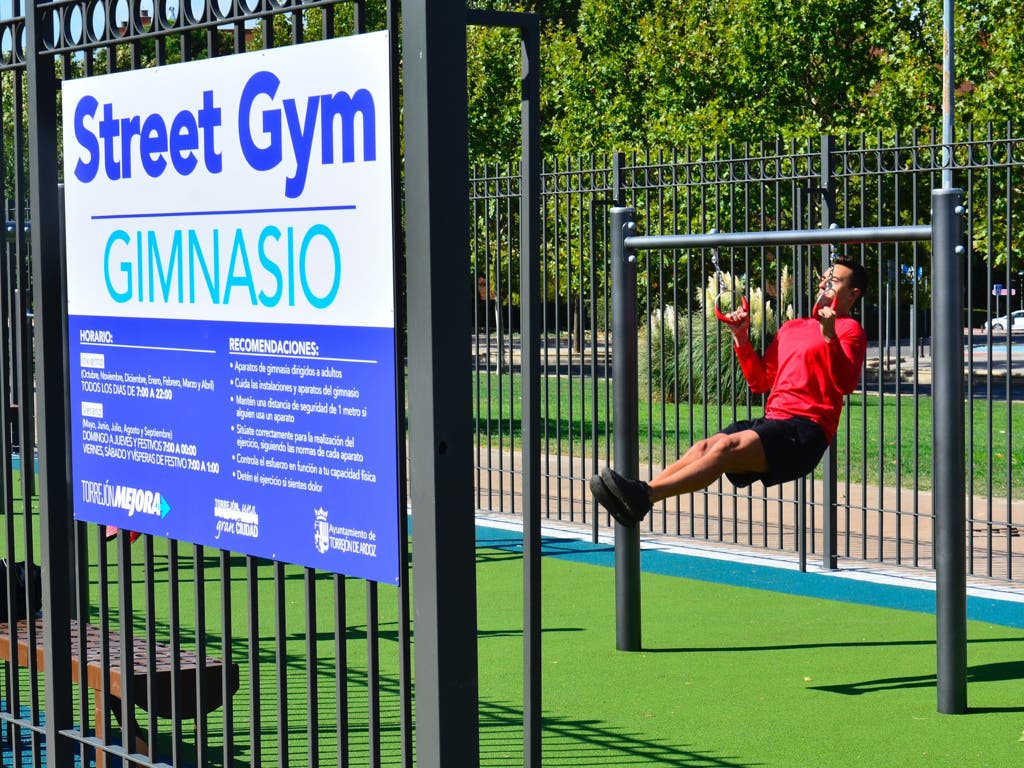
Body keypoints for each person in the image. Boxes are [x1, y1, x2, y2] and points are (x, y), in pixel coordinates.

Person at [590, 257, 869, 527]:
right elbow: (760, 382)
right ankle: (641, 495)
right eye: (823, 280)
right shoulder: (792, 327)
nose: (823, 287)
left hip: (806, 431)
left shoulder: (850, 330)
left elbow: (845, 384)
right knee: (704, 447)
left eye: (833, 282)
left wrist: (829, 334)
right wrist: (741, 336)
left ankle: (643, 496)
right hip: (774, 421)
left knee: (724, 448)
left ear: (852, 294)